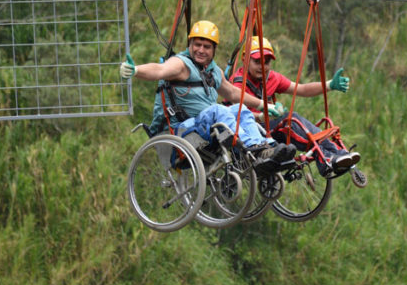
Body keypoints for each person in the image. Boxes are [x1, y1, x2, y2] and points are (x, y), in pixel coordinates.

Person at [119, 21, 296, 172]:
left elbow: (233, 93)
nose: (201, 50)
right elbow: (160, 70)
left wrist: (264, 106)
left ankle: (264, 149)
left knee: (239, 109)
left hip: (204, 127)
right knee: (219, 109)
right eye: (197, 44)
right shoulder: (181, 64)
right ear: (190, 44)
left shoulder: (213, 71)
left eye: (207, 46)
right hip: (183, 131)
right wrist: (136, 70)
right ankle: (251, 148)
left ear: (214, 50)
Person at [228, 36, 361, 177]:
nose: (262, 67)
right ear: (245, 60)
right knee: (289, 121)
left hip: (267, 130)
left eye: (266, 62)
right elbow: (238, 115)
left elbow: (301, 89)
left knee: (293, 119)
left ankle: (338, 154)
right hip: (248, 135)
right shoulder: (237, 84)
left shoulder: (272, 78)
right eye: (257, 62)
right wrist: (263, 116)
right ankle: (325, 158)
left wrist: (328, 85)